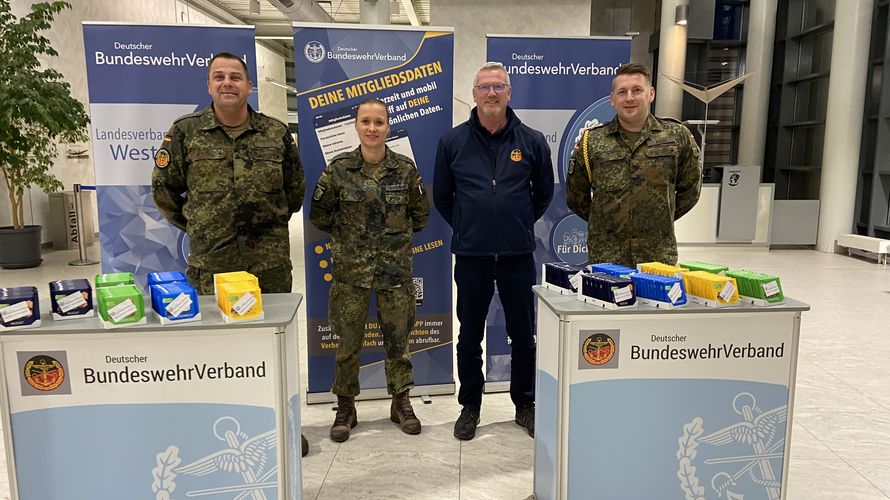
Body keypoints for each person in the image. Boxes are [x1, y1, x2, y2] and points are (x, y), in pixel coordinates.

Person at [151, 52, 309, 456]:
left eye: (235, 77)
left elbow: (294, 190)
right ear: (208, 85)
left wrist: (268, 224)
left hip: (268, 264)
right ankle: (214, 430)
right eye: (219, 77)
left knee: (273, 347)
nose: (227, 83)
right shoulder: (185, 133)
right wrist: (202, 226)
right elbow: (164, 191)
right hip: (212, 265)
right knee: (213, 352)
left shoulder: (275, 133)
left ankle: (283, 425)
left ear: (249, 85)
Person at [433, 62, 554, 441]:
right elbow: (442, 197)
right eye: (484, 87)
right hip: (471, 257)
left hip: (518, 255)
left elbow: (544, 194)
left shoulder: (532, 140)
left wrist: (514, 224)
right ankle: (470, 406)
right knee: (469, 335)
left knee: (524, 335)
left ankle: (524, 404)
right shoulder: (452, 141)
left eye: (498, 86)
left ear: (509, 93)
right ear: (474, 94)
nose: (491, 93)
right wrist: (472, 227)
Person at [309, 98, 430, 442]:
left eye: (379, 122)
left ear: (388, 126)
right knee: (347, 344)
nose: (372, 128)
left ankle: (400, 402)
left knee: (398, 343)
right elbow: (319, 215)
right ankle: (346, 407)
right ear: (356, 126)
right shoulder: (338, 169)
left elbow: (420, 217)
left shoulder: (405, 170)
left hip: (395, 273)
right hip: (351, 274)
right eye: (366, 122)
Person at [566, 63, 702, 267]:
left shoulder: (677, 136)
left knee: (656, 301)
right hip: (607, 257)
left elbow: (690, 189)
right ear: (612, 99)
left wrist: (659, 220)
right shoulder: (591, 141)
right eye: (622, 92)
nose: (629, 98)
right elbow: (576, 196)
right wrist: (607, 223)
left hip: (658, 257)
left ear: (651, 94)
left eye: (637, 90)